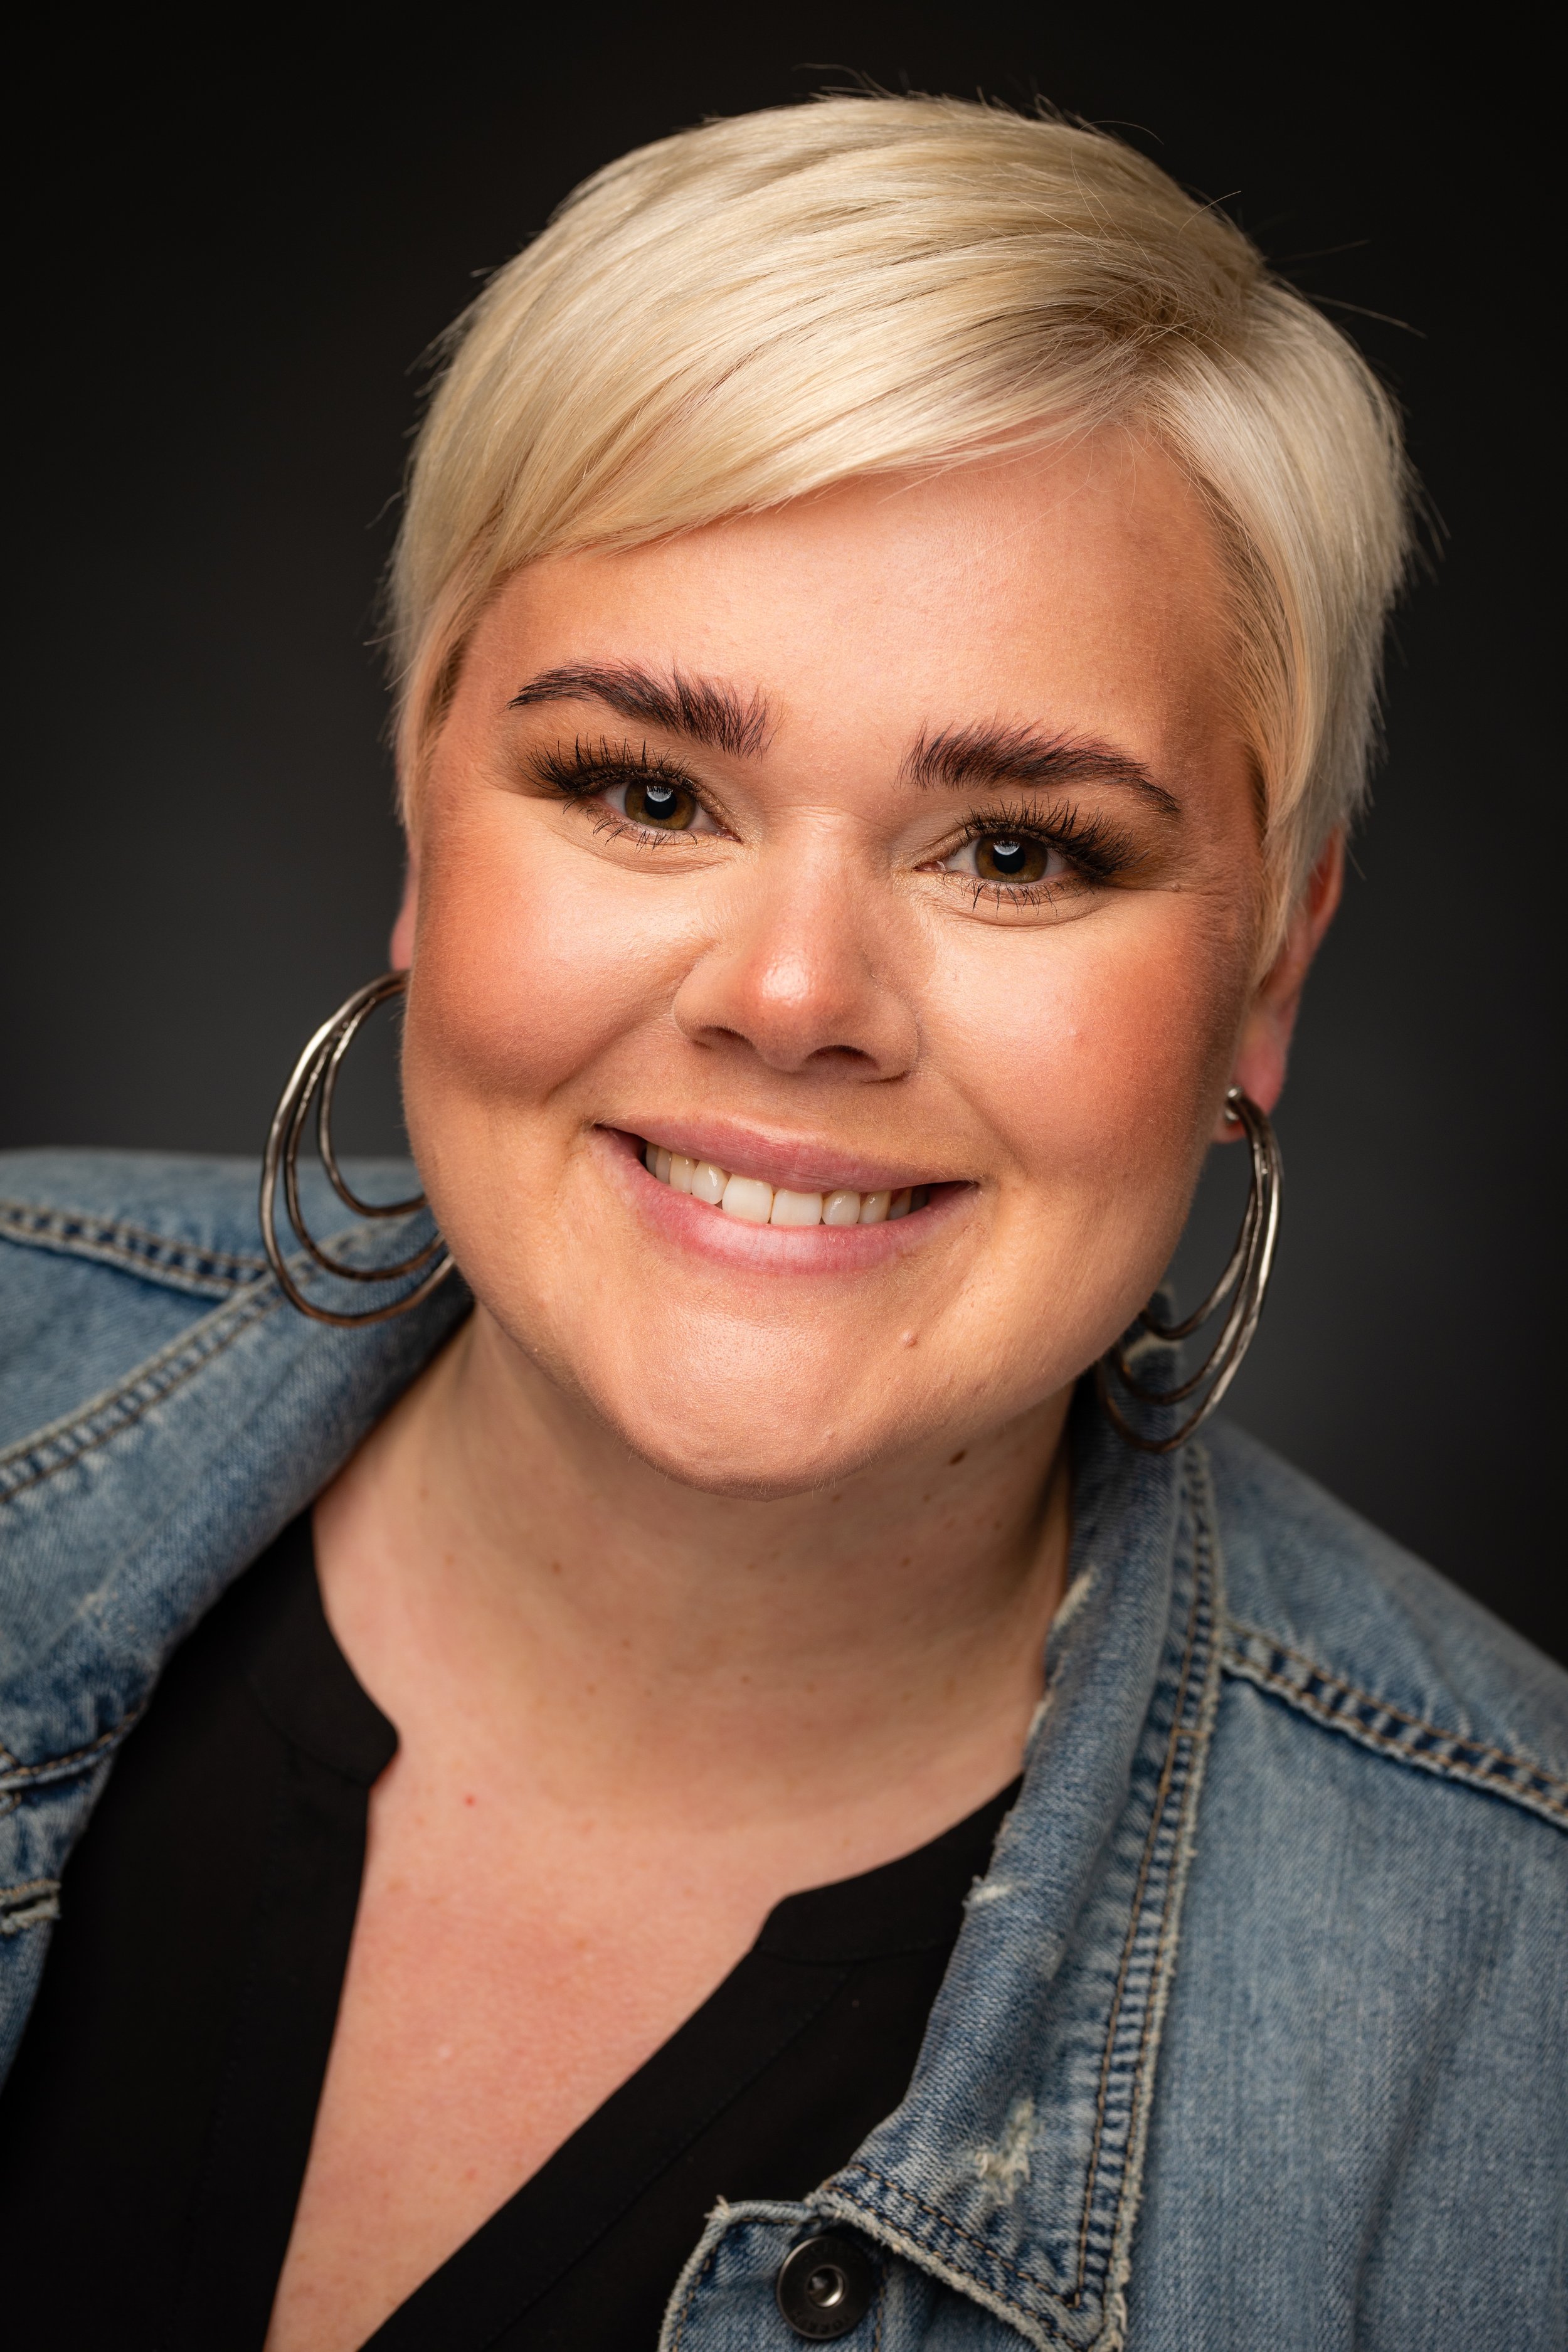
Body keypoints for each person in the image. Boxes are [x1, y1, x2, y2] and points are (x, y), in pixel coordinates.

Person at [1, 93, 1562, 2352]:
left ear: (1269, 968)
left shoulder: (1505, 2008)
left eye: (1015, 848)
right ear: (426, 813)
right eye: (645, 792)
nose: (796, 999)